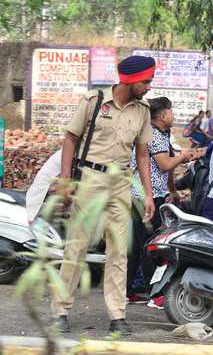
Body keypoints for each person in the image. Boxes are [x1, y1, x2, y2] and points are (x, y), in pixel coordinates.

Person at [52, 55, 157, 336]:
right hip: (89, 179)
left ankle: (117, 315)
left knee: (119, 251)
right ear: (129, 79)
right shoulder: (94, 100)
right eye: (146, 81)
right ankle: (60, 310)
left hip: (121, 182)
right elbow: (70, 139)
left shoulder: (143, 110)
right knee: (77, 246)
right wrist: (65, 181)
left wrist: (148, 194)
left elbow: (143, 155)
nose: (149, 87)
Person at [126, 97, 201, 307]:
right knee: (152, 246)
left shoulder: (160, 135)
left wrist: (173, 190)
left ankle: (131, 290)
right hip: (145, 197)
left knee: (141, 244)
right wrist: (184, 156)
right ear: (164, 115)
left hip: (149, 195)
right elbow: (165, 163)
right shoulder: (154, 135)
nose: (173, 115)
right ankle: (154, 294)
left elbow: (163, 169)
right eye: (171, 111)